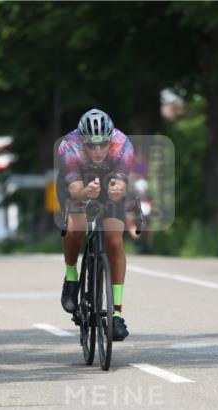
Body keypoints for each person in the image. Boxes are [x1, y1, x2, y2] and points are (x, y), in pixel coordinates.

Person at [58, 109, 134, 341]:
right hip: (77, 185)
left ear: (110, 139)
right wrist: (85, 192)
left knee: (114, 240)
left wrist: (118, 189)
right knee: (76, 228)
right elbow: (75, 191)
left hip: (108, 185)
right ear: (83, 141)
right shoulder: (68, 146)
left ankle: (117, 314)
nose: (98, 150)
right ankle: (71, 276)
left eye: (103, 144)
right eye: (92, 145)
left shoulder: (123, 145)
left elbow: (122, 185)